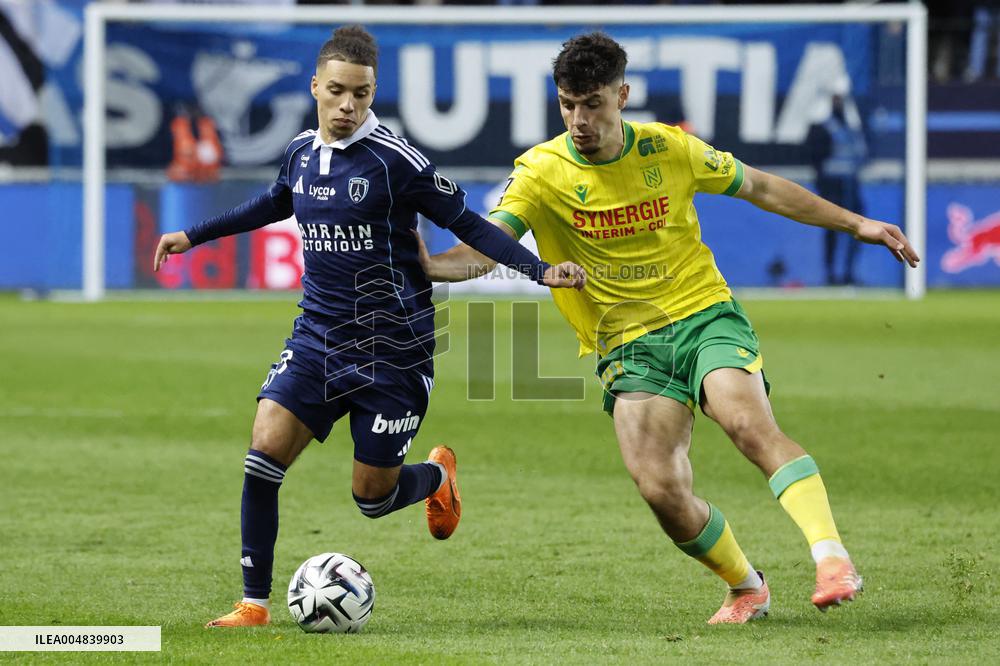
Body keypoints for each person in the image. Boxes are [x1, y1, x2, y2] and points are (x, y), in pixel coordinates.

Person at [418, 33, 919, 625]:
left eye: (593, 103)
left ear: (623, 94)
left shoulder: (669, 150)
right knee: (660, 489)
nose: (580, 119)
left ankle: (832, 556)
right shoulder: (541, 172)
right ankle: (745, 586)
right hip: (629, 346)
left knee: (747, 424)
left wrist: (856, 222)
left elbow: (758, 186)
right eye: (568, 104)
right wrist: (428, 267)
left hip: (702, 312)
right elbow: (489, 245)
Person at [153, 25, 585, 629]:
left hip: (394, 349)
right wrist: (192, 235)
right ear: (315, 87)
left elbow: (470, 223)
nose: (349, 105)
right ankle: (253, 605)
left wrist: (539, 270)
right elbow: (274, 202)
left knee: (372, 499)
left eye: (362, 93)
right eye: (337, 91)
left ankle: (436, 477)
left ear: (373, 91)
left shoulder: (396, 161)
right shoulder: (301, 153)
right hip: (318, 338)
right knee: (262, 453)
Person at [806, 78, 868, 286]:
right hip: (832, 186)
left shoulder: (851, 128)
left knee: (857, 228)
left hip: (850, 185)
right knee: (832, 228)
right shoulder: (823, 127)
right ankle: (831, 273)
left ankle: (848, 272)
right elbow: (815, 157)